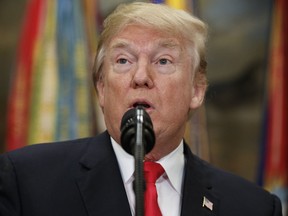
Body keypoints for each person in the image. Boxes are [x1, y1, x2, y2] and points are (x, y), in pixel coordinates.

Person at [0, 2, 283, 216]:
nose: (140, 76)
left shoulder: (253, 207)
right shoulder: (27, 183)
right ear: (101, 87)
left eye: (163, 61)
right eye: (123, 60)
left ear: (196, 90)